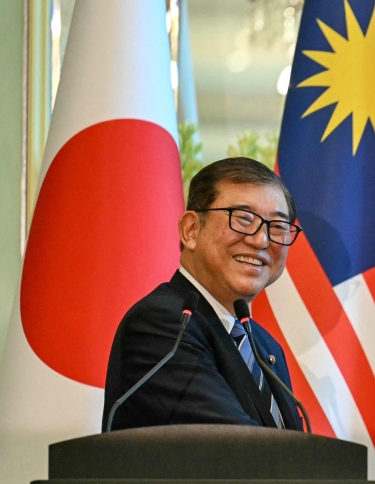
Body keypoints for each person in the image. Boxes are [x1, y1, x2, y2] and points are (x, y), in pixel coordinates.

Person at [102, 157, 305, 431]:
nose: (261, 240)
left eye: (278, 227)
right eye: (244, 219)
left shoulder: (265, 347)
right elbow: (235, 446)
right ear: (191, 229)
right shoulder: (162, 326)